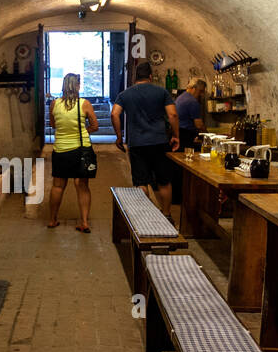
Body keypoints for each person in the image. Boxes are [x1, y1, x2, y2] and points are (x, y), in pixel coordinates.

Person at [111, 61, 179, 215]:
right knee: (164, 182)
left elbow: (114, 114)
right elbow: (173, 114)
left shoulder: (125, 94)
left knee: (141, 182)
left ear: (135, 77)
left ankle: (145, 217)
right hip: (160, 142)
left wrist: (119, 137)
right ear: (150, 76)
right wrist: (176, 136)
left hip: (137, 143)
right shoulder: (161, 92)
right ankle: (167, 215)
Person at [46, 72, 99, 232]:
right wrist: (83, 130)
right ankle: (84, 222)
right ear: (77, 86)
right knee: (81, 185)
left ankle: (52, 220)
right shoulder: (84, 104)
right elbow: (95, 126)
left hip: (60, 149)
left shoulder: (54, 104)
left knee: (58, 186)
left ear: (63, 85)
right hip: (81, 150)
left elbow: (54, 125)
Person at [171, 78, 207, 205]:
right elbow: (198, 124)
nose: (201, 95)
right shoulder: (192, 102)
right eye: (201, 92)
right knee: (188, 167)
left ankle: (176, 197)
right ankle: (185, 197)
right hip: (185, 137)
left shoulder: (181, 97)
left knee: (177, 167)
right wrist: (206, 134)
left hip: (178, 134)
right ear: (194, 88)